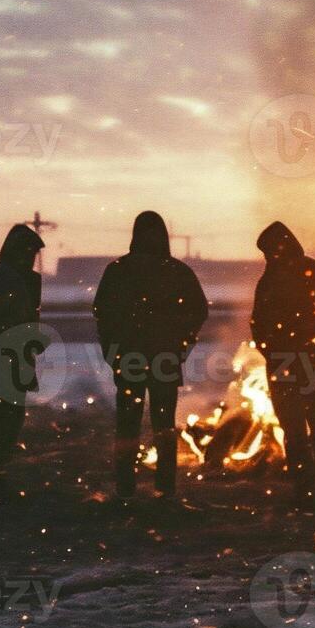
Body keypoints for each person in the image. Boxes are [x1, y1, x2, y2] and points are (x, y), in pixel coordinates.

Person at [94, 211, 208, 501]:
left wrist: (114, 351)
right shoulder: (176, 271)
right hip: (163, 357)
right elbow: (198, 311)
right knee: (163, 426)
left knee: (129, 424)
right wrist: (181, 345)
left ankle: (125, 488)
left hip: (132, 357)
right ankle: (164, 488)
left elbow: (102, 314)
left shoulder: (118, 270)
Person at [251, 221, 315, 505]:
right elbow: (258, 320)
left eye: (270, 251)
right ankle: (308, 485)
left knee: (312, 420)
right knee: (296, 424)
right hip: (287, 357)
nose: (269, 257)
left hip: (304, 357)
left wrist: (308, 336)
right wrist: (270, 349)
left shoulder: (314, 273)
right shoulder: (272, 277)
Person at [0, 223, 46, 478]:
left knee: (7, 415)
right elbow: (17, 318)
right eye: (29, 253)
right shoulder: (6, 277)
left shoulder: (7, 275)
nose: (31, 260)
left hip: (6, 355)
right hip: (6, 357)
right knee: (7, 416)